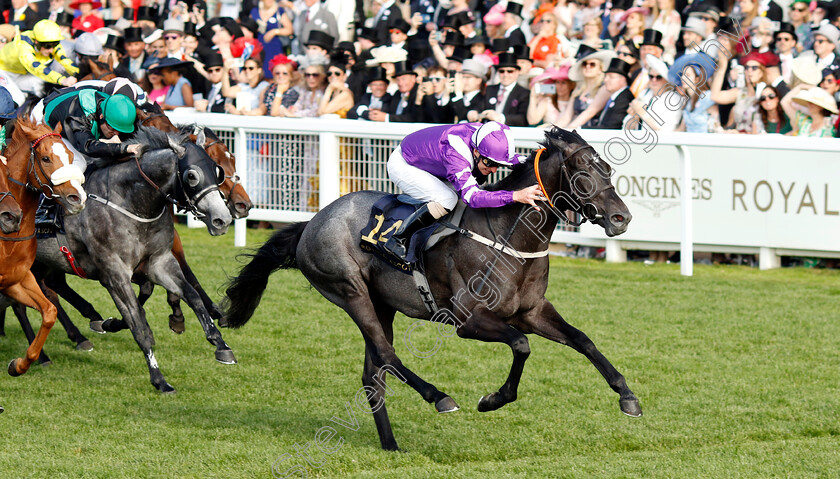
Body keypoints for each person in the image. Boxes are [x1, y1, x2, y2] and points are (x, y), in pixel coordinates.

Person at [383, 121, 545, 261]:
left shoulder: (487, 141)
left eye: (498, 164)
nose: (494, 170)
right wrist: (516, 196)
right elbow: (472, 197)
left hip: (431, 159)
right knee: (448, 199)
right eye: (489, 163)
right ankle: (399, 239)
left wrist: (544, 160)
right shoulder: (457, 153)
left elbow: (514, 159)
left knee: (471, 185)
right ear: (475, 152)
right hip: (405, 164)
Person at [0, 19, 78, 95]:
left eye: (55, 44)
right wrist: (62, 80)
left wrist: (78, 74)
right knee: (21, 98)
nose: (51, 50)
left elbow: (64, 59)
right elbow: (35, 67)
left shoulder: (49, 42)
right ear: (37, 41)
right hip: (5, 72)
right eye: (47, 46)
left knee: (43, 85)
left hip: (24, 72)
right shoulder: (23, 46)